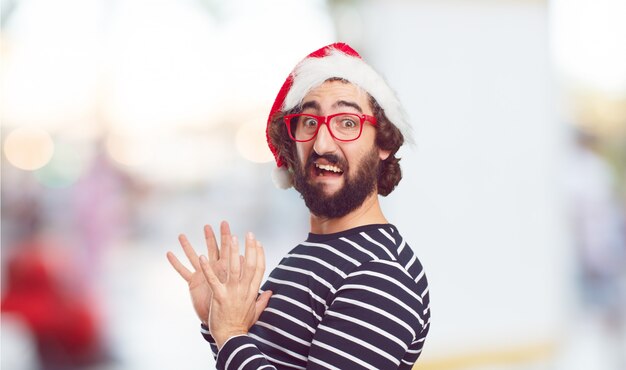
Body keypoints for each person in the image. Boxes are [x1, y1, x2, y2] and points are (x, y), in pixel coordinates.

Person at [167, 43, 431, 369]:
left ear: (384, 143)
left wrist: (232, 334)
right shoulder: (311, 254)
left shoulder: (380, 275)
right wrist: (218, 322)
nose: (321, 143)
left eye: (346, 122)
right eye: (309, 122)